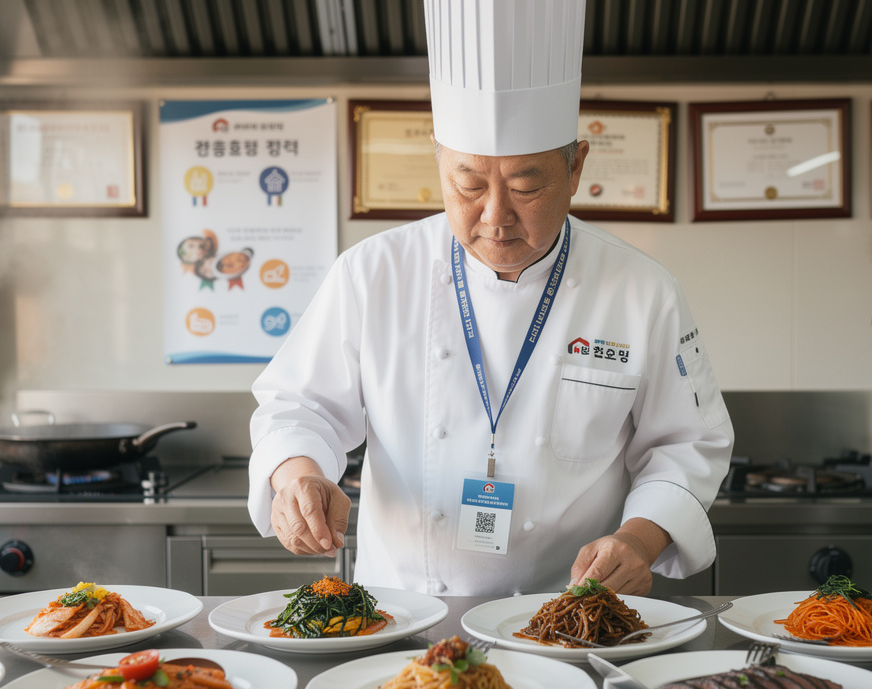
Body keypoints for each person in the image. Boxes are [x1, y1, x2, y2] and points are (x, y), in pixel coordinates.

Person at [247, 0, 733, 596]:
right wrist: (297, 476)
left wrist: (638, 539)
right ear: (439, 164)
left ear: (575, 168)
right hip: (401, 617)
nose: (496, 216)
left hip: (568, 619)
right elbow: (298, 406)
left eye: (527, 185)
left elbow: (687, 443)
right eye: (469, 184)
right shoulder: (372, 273)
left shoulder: (641, 291)